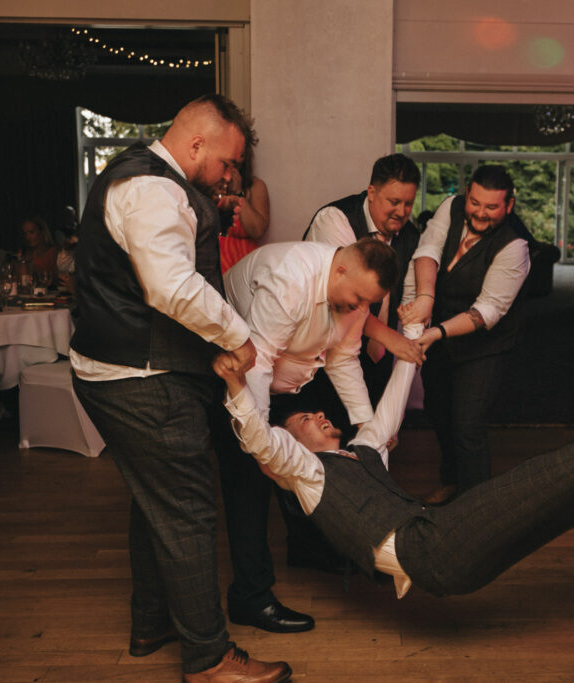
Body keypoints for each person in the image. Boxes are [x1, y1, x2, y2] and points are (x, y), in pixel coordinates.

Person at [69, 94, 290, 683]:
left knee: (156, 503)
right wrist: (238, 338)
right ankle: (210, 658)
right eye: (227, 162)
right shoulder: (153, 189)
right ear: (197, 145)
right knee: (190, 510)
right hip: (140, 377)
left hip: (121, 367)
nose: (231, 176)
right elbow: (170, 287)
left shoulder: (155, 179)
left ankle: (153, 623)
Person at [218, 325, 574, 600]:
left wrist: (412, 337)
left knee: (563, 505)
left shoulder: (364, 451)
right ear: (289, 440)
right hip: (432, 551)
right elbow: (261, 442)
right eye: (305, 417)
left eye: (317, 411)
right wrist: (239, 387)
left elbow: (392, 404)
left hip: (444, 546)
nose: (320, 414)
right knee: (538, 479)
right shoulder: (306, 475)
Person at [215, 238, 420, 596]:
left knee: (321, 455)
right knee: (250, 485)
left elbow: (342, 358)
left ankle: (317, 552)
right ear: (340, 268)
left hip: (293, 380)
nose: (361, 310)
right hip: (236, 375)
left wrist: (366, 424)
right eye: (358, 300)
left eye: (367, 304)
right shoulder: (290, 280)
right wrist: (261, 443)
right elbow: (258, 363)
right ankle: (252, 596)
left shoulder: (353, 294)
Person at [399, 164, 530, 504]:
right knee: (438, 410)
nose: (480, 213)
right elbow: (427, 249)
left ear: (509, 206)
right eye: (475, 203)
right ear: (467, 194)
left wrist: (437, 332)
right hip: (441, 339)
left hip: (484, 347)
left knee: (467, 424)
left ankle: (475, 508)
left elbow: (486, 311)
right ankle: (452, 480)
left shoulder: (515, 247)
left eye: (491, 207)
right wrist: (425, 299)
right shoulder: (452, 206)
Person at [304, 153, 421, 404]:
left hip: (378, 355)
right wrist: (392, 339)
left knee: (369, 431)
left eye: (408, 204)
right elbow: (350, 295)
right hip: (324, 350)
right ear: (371, 192)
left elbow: (409, 299)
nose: (402, 212)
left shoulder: (410, 236)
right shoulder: (335, 219)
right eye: (394, 201)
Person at [214, 134, 269, 273]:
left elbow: (257, 231)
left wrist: (239, 194)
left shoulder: (255, 186)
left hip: (245, 262)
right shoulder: (209, 183)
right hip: (215, 260)